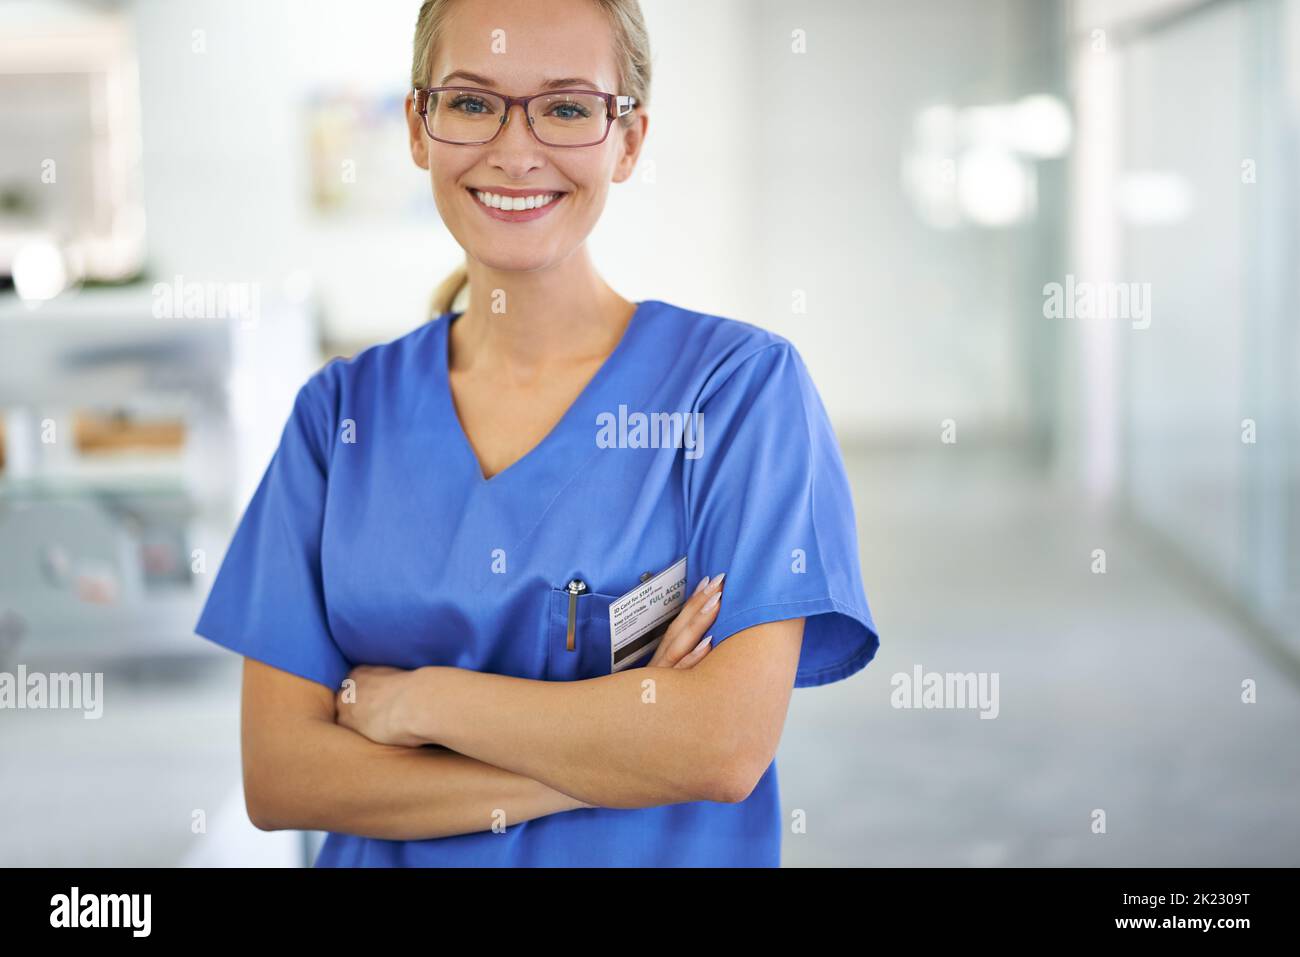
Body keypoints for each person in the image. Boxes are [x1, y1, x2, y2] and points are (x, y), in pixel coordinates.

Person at [194, 0, 880, 867]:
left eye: (565, 108)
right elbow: (285, 775)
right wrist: (611, 749)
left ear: (627, 141)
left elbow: (721, 746)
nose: (515, 151)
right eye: (473, 102)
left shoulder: (737, 394)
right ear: (418, 126)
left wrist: (428, 702)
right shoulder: (339, 417)